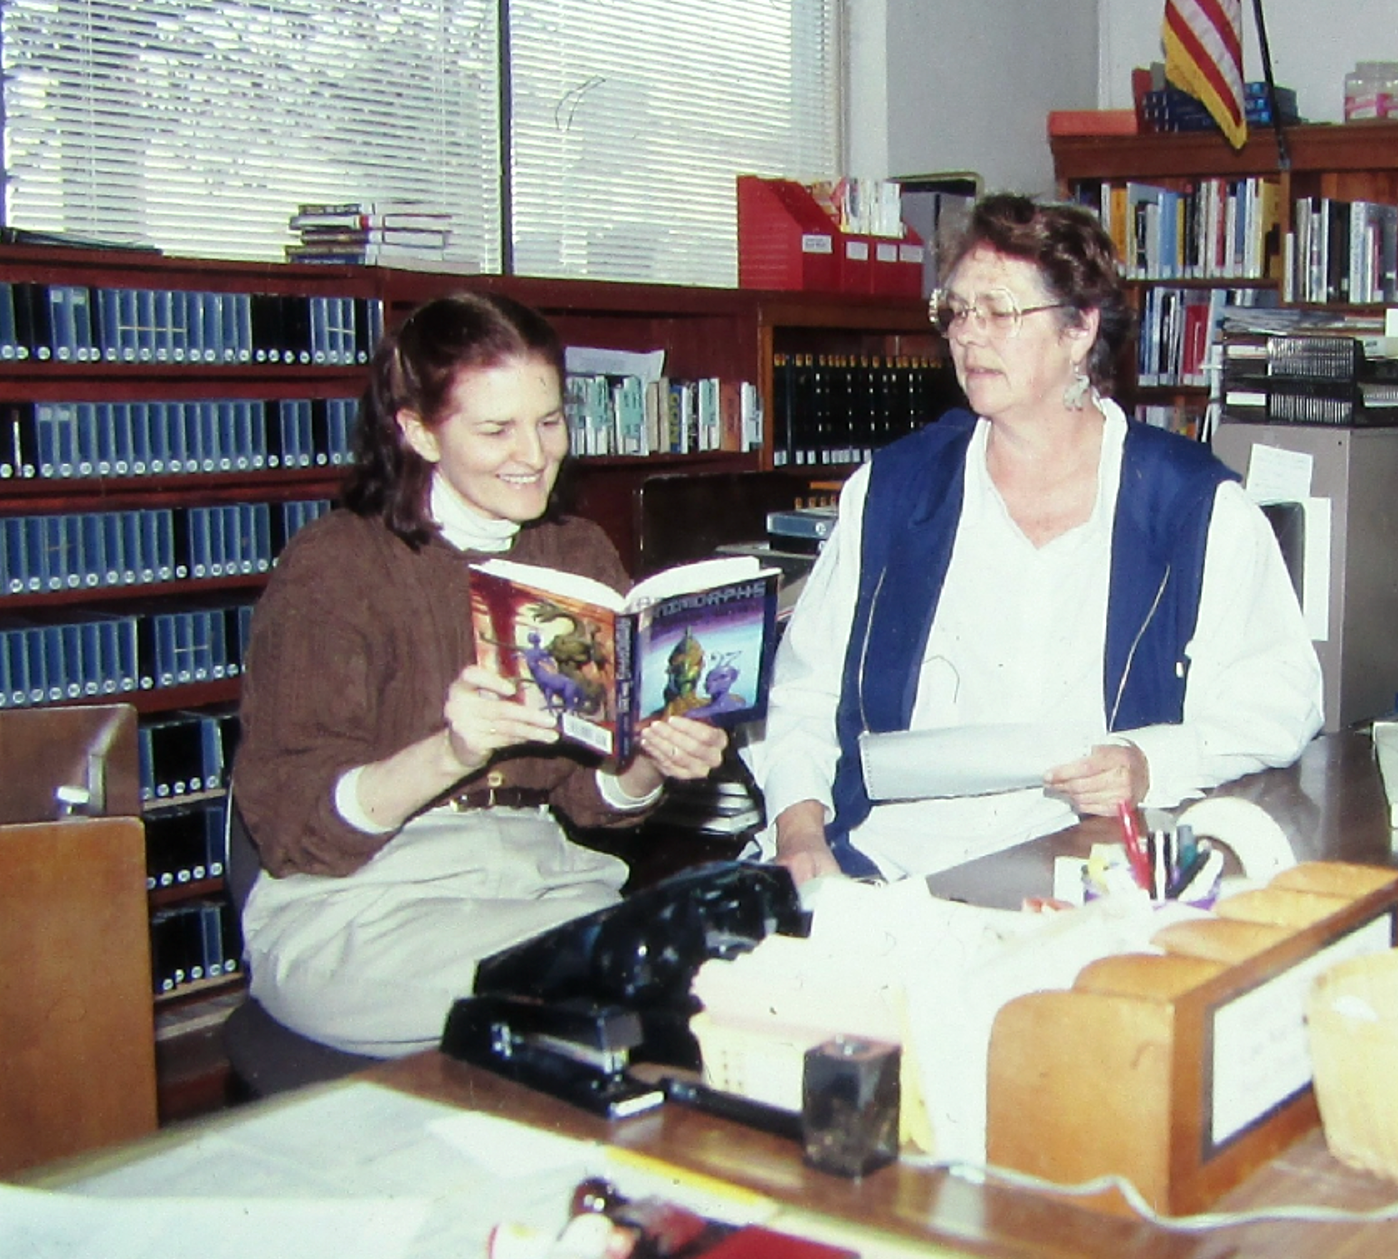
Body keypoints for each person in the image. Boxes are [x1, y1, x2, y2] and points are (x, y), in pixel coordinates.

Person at [744, 193, 1323, 885]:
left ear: (1080, 328)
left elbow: (1280, 703)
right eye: (956, 310)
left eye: (999, 311)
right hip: (885, 859)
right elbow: (803, 696)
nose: (967, 334)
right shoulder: (892, 492)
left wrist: (1149, 763)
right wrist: (801, 834)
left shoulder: (1194, 506)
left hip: (1080, 865)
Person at [232, 290, 728, 1058]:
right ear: (420, 433)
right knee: (589, 991)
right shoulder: (334, 568)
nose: (533, 455)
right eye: (495, 429)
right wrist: (452, 752)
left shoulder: (574, 555)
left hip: (538, 878)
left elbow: (589, 802)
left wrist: (648, 765)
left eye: (550, 420)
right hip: (363, 903)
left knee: (710, 960)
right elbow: (294, 830)